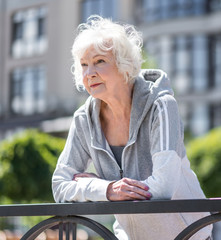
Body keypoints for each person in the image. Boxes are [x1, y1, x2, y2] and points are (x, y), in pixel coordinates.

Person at [51, 15, 212, 240]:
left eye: (99, 61)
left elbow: (163, 187)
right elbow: (59, 185)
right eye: (84, 65)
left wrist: (91, 184)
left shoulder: (161, 106)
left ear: (124, 65)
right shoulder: (83, 120)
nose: (89, 74)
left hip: (187, 236)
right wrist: (105, 189)